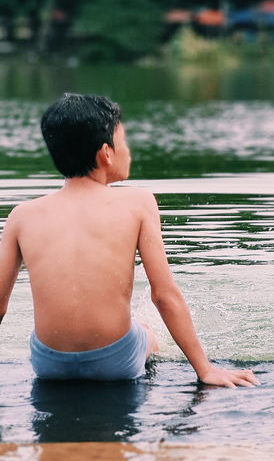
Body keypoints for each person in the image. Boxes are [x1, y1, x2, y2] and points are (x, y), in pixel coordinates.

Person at [0, 93, 258, 386]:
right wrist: (206, 370)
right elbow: (163, 295)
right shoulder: (138, 202)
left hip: (49, 364)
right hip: (114, 362)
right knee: (147, 331)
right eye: (124, 143)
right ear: (106, 153)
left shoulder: (22, 215)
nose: (129, 151)